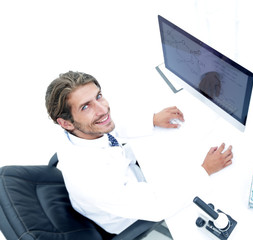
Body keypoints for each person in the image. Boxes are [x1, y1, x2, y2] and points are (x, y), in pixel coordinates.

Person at [45, 71, 233, 234]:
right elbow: (158, 206)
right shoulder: (93, 179)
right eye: (85, 106)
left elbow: (111, 126)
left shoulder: (79, 130)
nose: (103, 109)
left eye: (99, 96)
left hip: (130, 175)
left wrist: (151, 119)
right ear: (65, 122)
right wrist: (205, 171)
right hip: (126, 213)